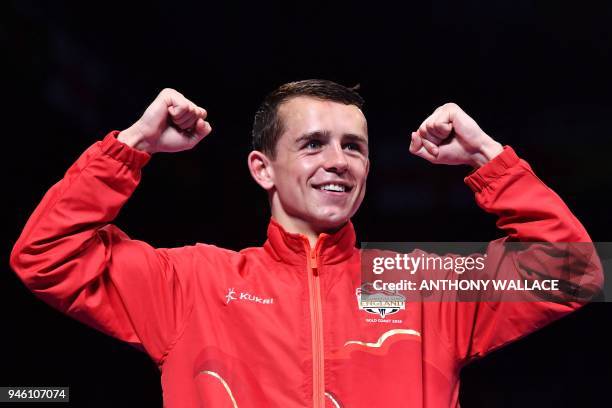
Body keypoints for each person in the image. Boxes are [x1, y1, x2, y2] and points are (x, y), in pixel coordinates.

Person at [10, 80, 602, 407]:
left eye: (354, 146)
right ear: (262, 169)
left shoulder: (422, 285)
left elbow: (574, 270)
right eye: (313, 144)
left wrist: (488, 158)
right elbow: (45, 254)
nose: (339, 162)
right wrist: (133, 146)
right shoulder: (193, 284)